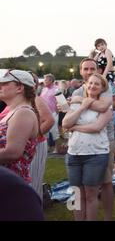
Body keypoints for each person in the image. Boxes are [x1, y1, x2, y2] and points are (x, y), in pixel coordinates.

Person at [62, 73, 112, 221]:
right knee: (77, 193)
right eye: (90, 83)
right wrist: (82, 106)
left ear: (102, 88)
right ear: (86, 84)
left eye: (97, 84)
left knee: (91, 194)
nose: (92, 86)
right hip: (74, 154)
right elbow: (65, 124)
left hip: (96, 154)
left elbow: (97, 127)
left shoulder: (105, 108)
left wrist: (75, 127)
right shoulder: (76, 104)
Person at [0, 69, 40, 183]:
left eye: (4, 83)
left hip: (10, 183)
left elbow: (13, 152)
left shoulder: (23, 113)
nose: (0, 86)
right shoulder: (13, 112)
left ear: (19, 88)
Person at [28, 71, 56, 201]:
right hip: (23, 147)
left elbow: (49, 120)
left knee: (33, 183)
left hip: (35, 145)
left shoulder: (35, 99)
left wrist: (31, 138)